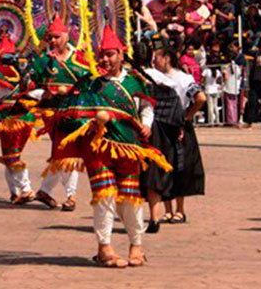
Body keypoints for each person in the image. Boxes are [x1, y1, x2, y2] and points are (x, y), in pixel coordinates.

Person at [56, 26, 167, 268]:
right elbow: (73, 114)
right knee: (104, 196)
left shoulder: (135, 82)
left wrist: (146, 125)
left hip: (128, 147)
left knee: (130, 197)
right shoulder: (90, 84)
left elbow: (147, 107)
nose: (105, 59)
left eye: (110, 54)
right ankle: (104, 247)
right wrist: (91, 122)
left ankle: (136, 245)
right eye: (102, 55)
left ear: (121, 54)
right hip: (98, 149)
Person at [142, 46, 206, 231]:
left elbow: (200, 98)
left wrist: (186, 116)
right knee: (163, 165)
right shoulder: (155, 77)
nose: (154, 61)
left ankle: (179, 209)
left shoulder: (183, 79)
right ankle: (167, 209)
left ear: (167, 58)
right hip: (161, 126)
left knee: (179, 166)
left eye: (158, 57)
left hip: (178, 125)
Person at [31, 17, 89, 212]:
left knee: (63, 152)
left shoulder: (80, 59)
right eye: (50, 38)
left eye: (56, 37)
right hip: (52, 114)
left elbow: (91, 84)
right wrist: (45, 93)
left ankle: (45, 190)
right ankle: (70, 195)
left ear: (66, 37)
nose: (53, 41)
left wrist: (72, 91)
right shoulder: (43, 61)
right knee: (67, 152)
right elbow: (31, 86)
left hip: (74, 112)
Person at [0, 36, 41, 204]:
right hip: (19, 119)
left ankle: (26, 190)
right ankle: (14, 192)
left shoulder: (4, 71)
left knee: (12, 157)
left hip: (13, 121)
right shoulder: (22, 71)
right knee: (9, 157)